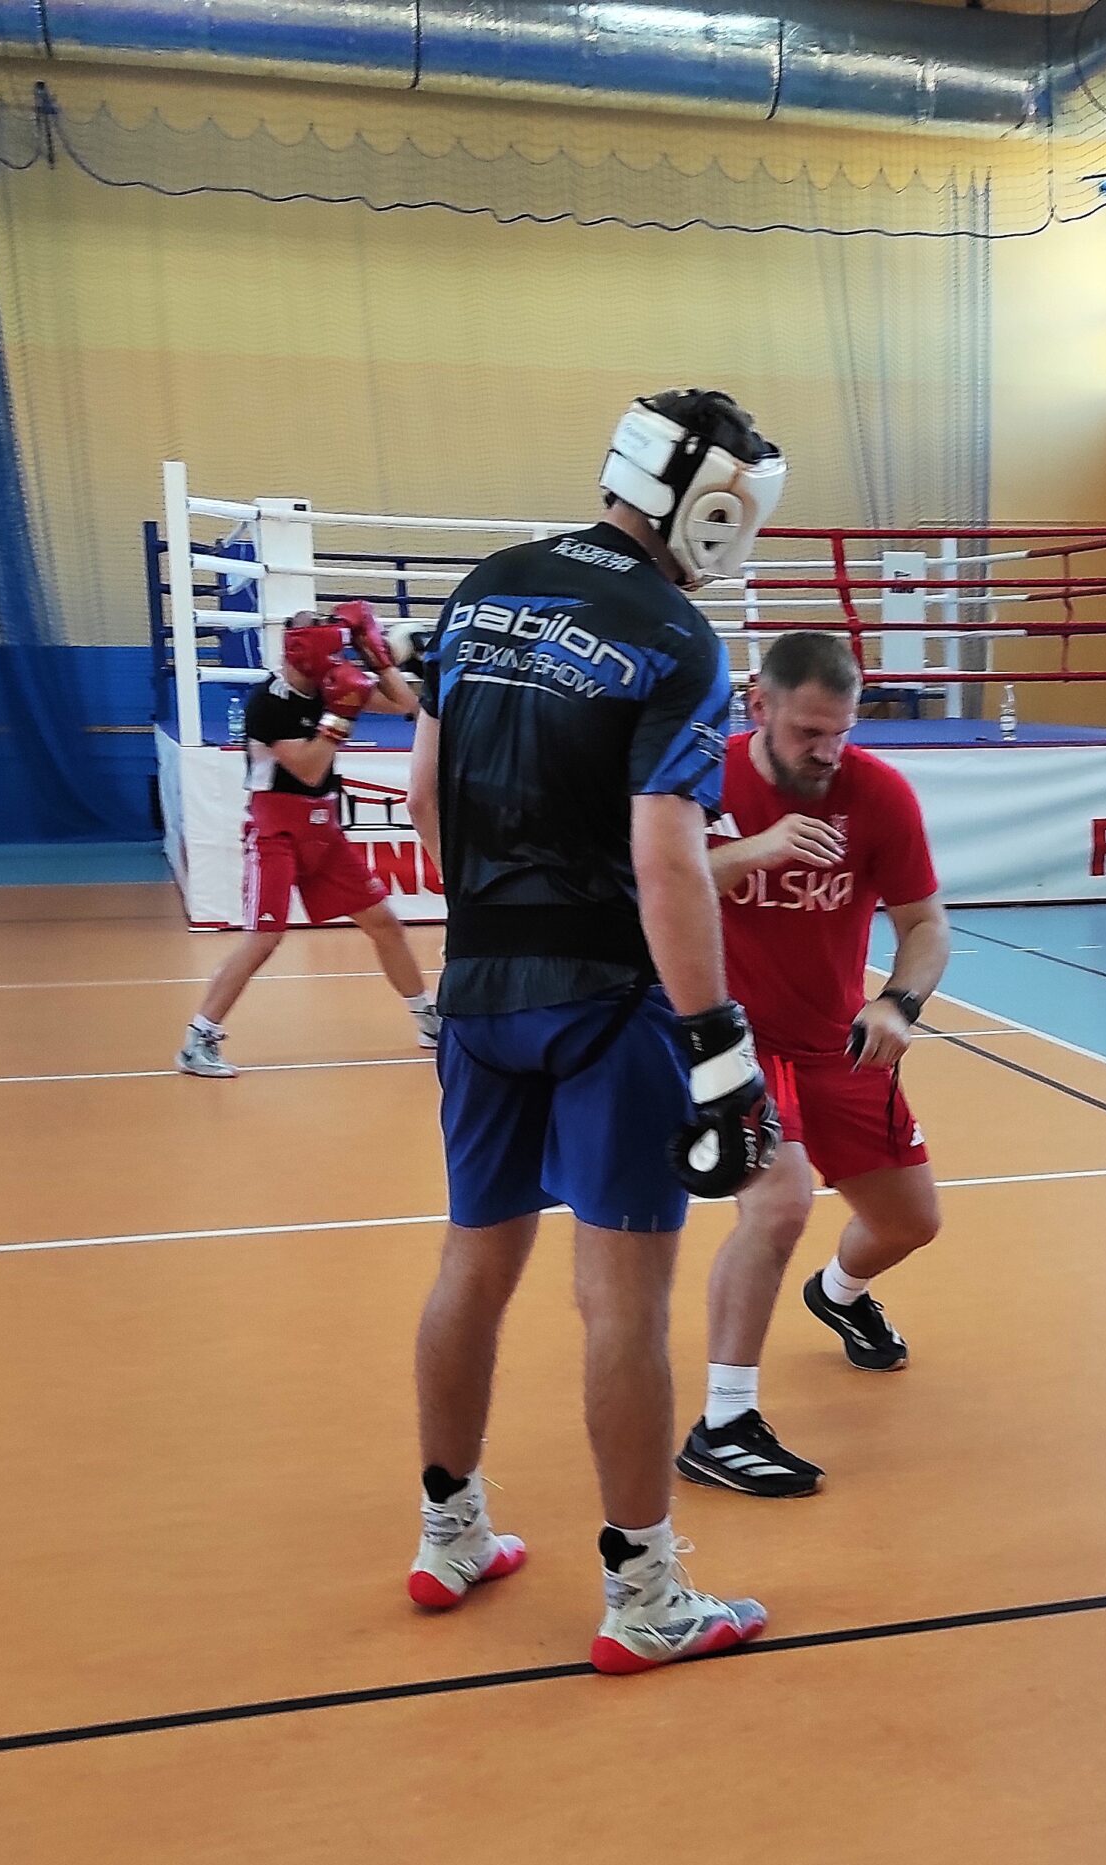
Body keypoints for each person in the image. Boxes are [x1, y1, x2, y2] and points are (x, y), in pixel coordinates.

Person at [403, 388, 788, 1675]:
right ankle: (645, 1597)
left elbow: (424, 789)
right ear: (707, 503)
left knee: (472, 1266)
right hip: (609, 1000)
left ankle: (449, 1535)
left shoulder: (482, 589)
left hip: (479, 986)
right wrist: (719, 1044)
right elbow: (667, 858)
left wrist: (491, 927)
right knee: (621, 1297)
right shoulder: (674, 636)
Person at [678, 628, 951, 1498]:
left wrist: (898, 1001)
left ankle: (838, 1293)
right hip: (735, 1041)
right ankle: (723, 1424)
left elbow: (926, 925)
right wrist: (760, 848)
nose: (827, 751)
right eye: (808, 733)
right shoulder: (705, 777)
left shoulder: (878, 794)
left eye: (841, 731)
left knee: (911, 1223)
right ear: (758, 705)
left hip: (837, 1039)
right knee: (780, 1204)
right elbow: (654, 882)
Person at [177, 600, 435, 1077]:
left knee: (383, 923)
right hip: (275, 829)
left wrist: (378, 658)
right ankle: (199, 1038)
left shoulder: (330, 681)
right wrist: (340, 715)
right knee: (265, 937)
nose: (336, 653)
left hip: (323, 829)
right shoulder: (269, 702)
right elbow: (311, 769)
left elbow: (406, 705)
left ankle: (427, 1018)